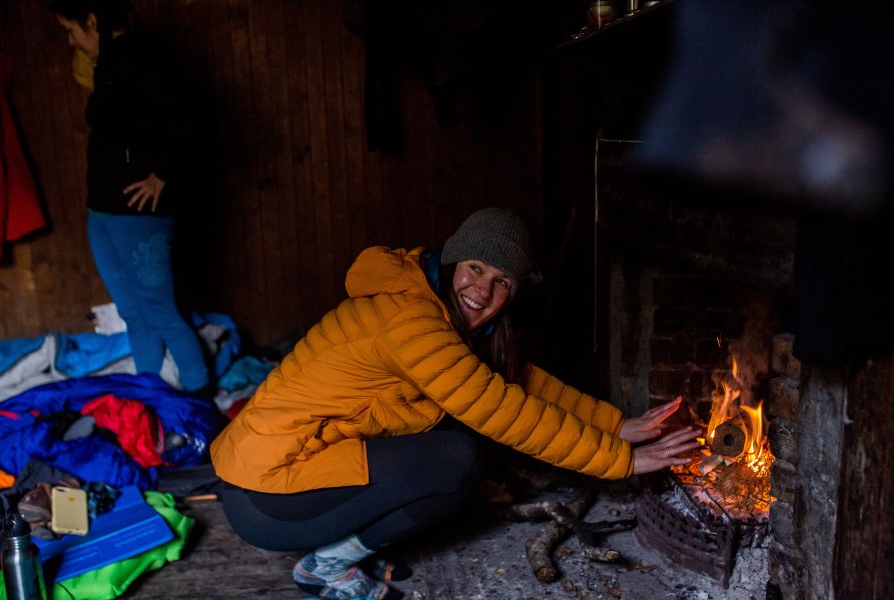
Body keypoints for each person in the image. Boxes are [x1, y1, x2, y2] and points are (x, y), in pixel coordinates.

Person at [210, 207, 703, 600]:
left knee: (453, 451)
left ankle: (337, 552)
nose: (482, 290)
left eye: (502, 281)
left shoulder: (437, 311)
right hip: (266, 497)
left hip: (270, 477)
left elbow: (523, 384)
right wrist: (620, 461)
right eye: (475, 267)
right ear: (453, 261)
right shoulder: (410, 319)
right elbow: (502, 409)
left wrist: (616, 425)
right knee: (457, 460)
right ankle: (324, 567)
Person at [47, 0, 210, 394]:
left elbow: (192, 118)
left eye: (71, 30)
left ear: (92, 19)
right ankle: (151, 397)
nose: (70, 41)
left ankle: (200, 403)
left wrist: (162, 175)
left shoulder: (148, 56)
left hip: (138, 215)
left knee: (161, 312)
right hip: (102, 210)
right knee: (134, 313)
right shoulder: (106, 64)